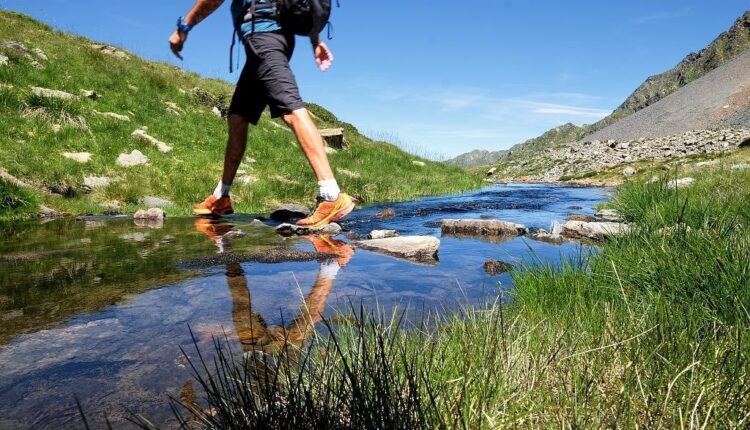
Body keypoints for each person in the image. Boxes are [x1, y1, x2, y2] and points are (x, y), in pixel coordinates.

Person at [169, 0, 354, 228]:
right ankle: (221, 196)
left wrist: (183, 27)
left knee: (291, 110)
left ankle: (331, 195)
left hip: (265, 37)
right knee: (238, 117)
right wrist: (315, 39)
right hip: (266, 39)